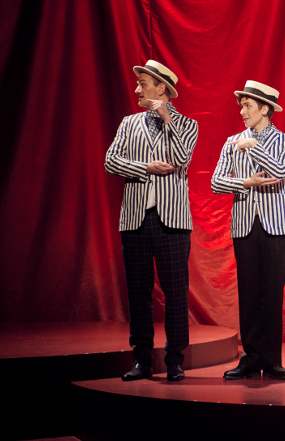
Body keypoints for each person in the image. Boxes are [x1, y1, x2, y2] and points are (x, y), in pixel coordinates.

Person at [105, 59, 198, 382]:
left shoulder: (187, 124)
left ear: (161, 88)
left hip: (172, 221)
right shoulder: (129, 123)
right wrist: (145, 167)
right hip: (135, 219)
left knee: (176, 293)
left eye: (143, 84)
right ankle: (142, 359)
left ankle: (175, 360)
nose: (137, 89)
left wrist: (167, 117)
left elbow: (182, 157)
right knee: (138, 292)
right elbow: (110, 161)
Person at [210, 80, 285, 380]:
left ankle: (272, 360)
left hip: (276, 226)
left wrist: (256, 147)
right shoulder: (232, 141)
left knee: (272, 294)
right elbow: (216, 181)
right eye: (242, 106)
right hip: (245, 225)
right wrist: (245, 182)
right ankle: (249, 358)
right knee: (248, 294)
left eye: (247, 106)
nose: (242, 111)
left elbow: (281, 172)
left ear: (264, 109)